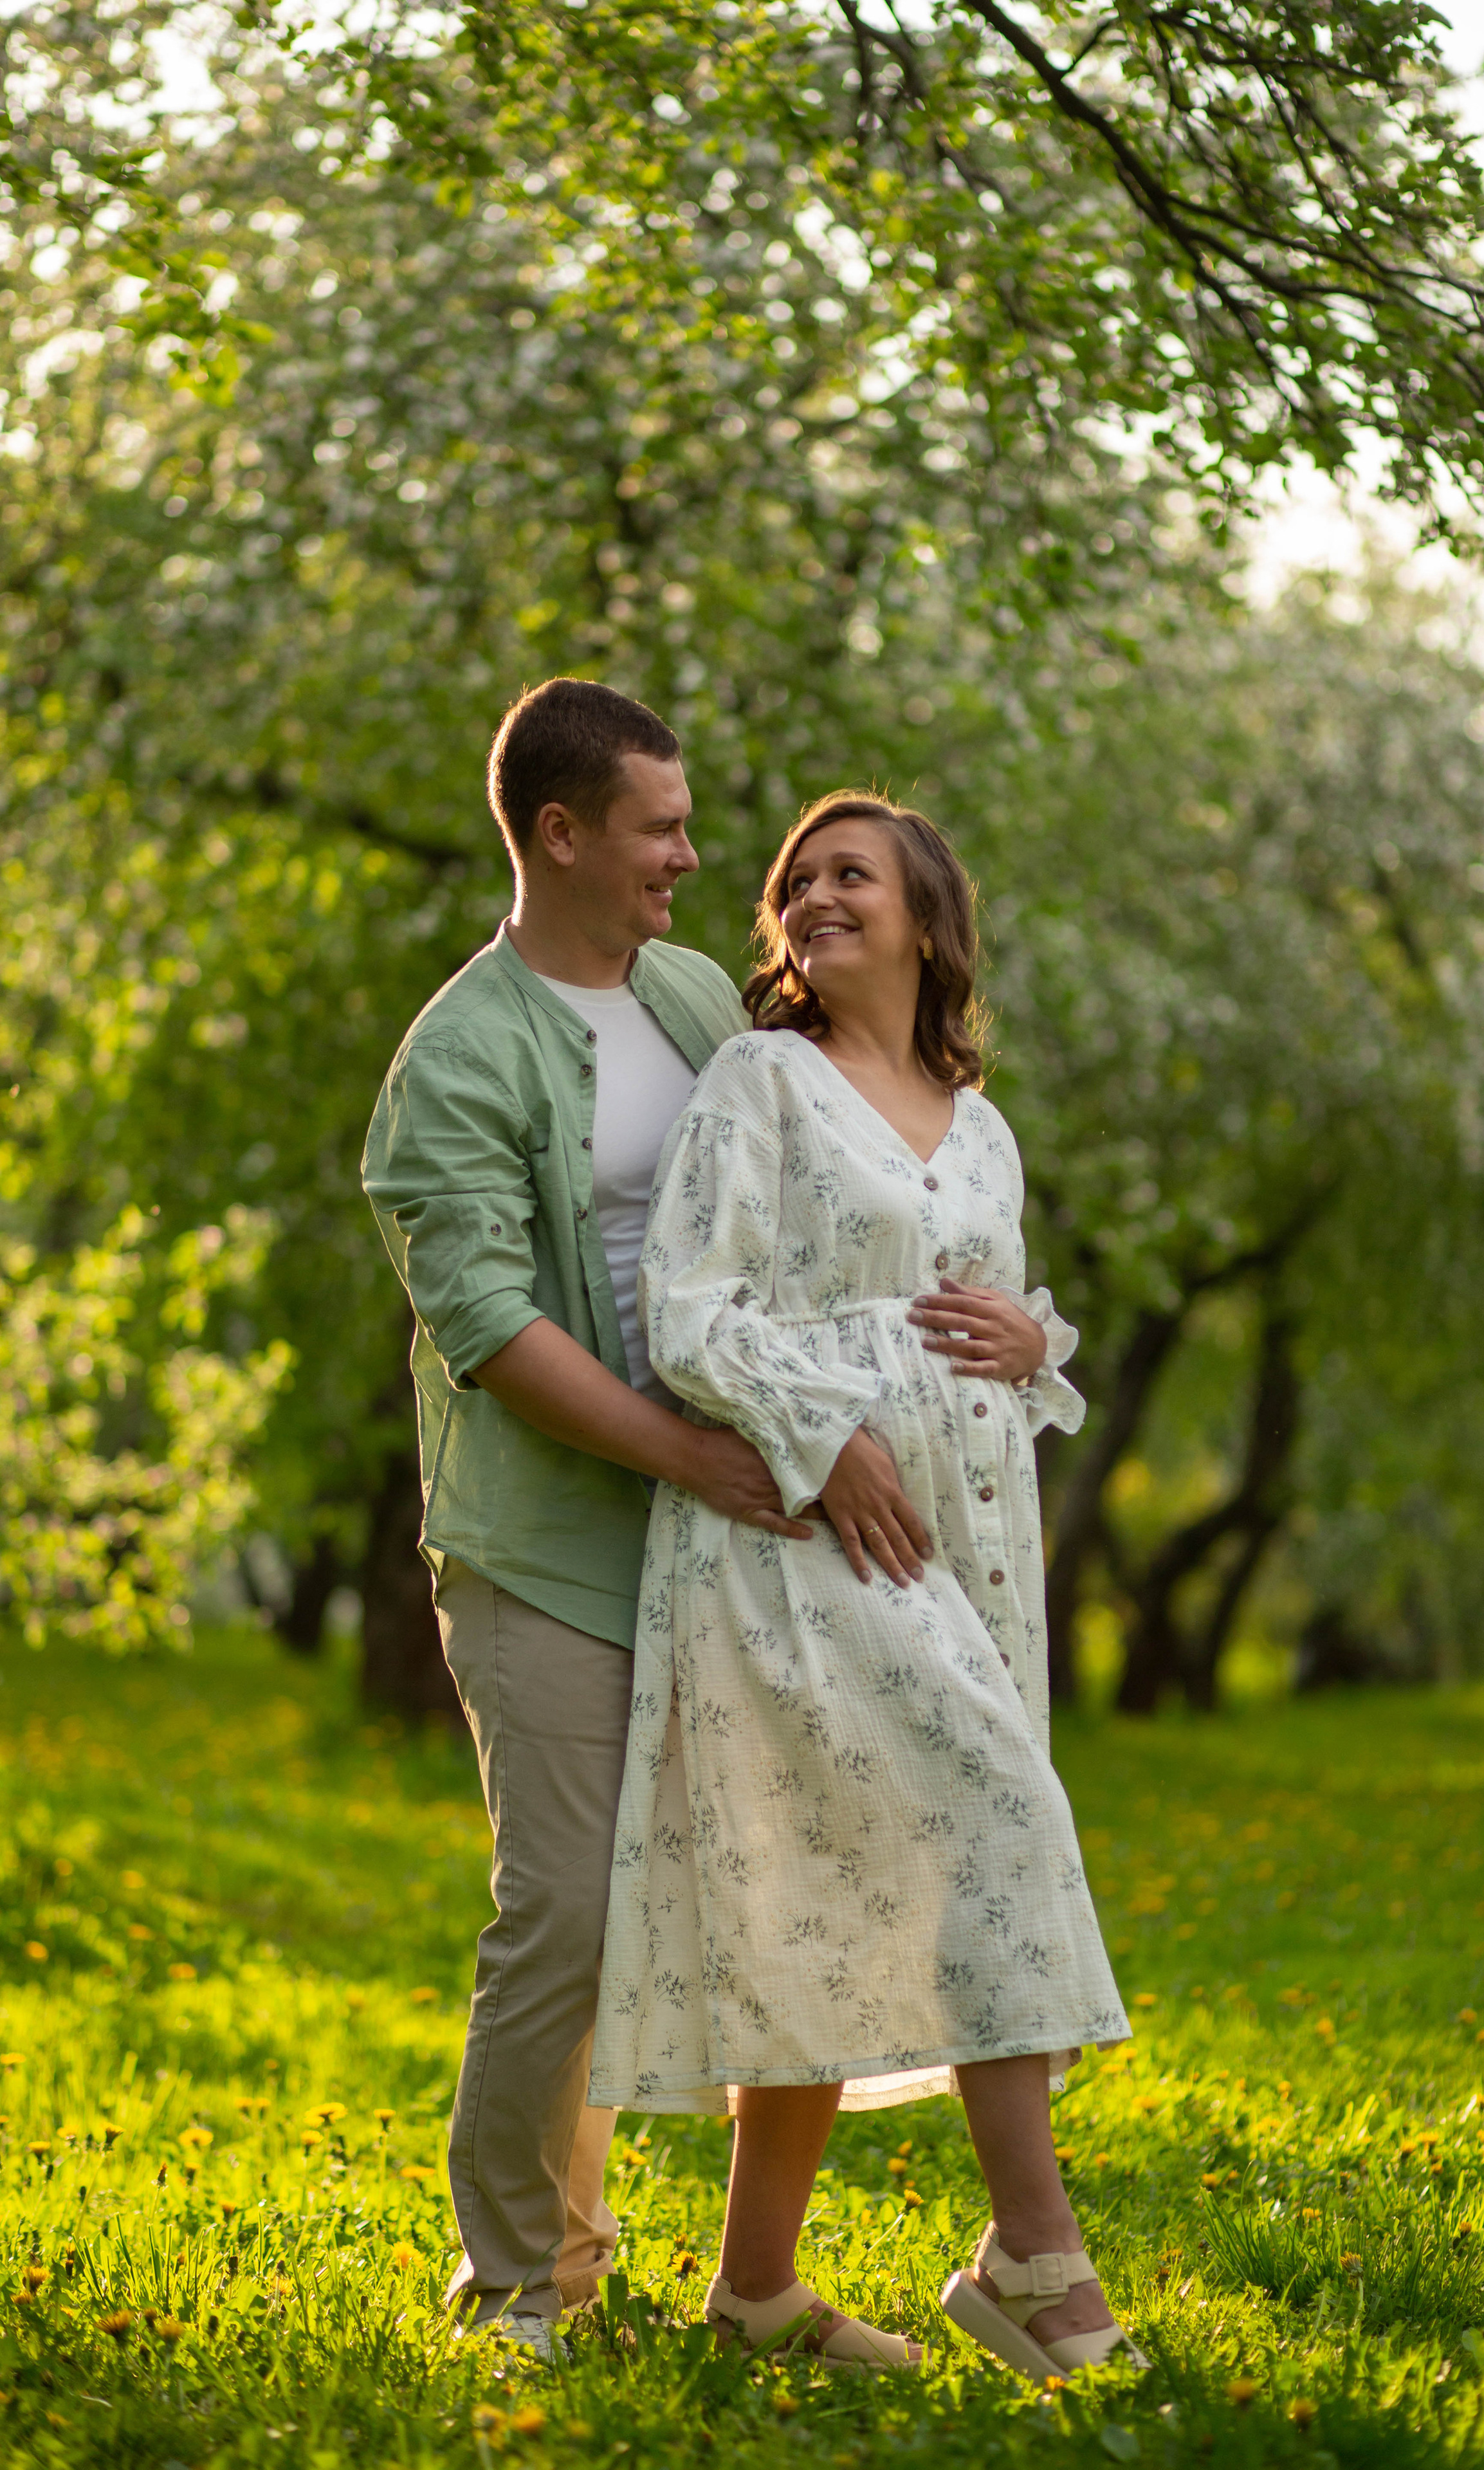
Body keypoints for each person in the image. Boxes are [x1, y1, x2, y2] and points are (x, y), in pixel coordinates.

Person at [589, 792, 1143, 2381]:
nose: (813, 897)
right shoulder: (762, 1081)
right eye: (795, 882)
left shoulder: (979, 1125)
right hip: (797, 1530)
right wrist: (829, 1438)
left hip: (970, 1550)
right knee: (997, 1829)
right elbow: (686, 1313)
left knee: (842, 1894)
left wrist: (1042, 1345)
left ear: (922, 917)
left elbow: (1003, 1320)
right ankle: (1034, 2261)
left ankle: (753, 2298)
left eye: (852, 875)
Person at [362, 679, 812, 2354]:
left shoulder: (694, 996)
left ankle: (583, 2255)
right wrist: (684, 1454)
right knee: (564, 1900)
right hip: (543, 1546)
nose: (694, 859)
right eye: (662, 829)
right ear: (561, 833)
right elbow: (488, 1330)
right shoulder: (457, 1058)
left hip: (708, 1543)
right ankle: (510, 2292)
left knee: (651, 1908)